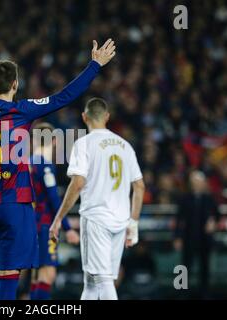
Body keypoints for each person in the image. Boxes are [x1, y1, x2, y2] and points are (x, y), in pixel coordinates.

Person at [0, 39, 117, 300]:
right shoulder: (22, 110)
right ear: (15, 84)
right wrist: (94, 65)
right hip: (16, 205)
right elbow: (65, 96)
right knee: (9, 278)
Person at [50, 97, 145, 300]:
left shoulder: (84, 144)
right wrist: (134, 222)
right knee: (92, 281)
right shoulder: (125, 145)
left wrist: (58, 218)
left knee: (103, 280)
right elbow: (139, 186)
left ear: (84, 117)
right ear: (107, 117)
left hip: (96, 218)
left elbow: (77, 184)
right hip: (120, 220)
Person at [29, 122, 80, 300]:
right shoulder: (45, 165)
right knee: (48, 274)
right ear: (53, 141)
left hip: (30, 225)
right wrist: (68, 228)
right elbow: (53, 199)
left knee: (37, 274)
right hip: (44, 226)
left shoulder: (28, 163)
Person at [174, 170, 219, 298]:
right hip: (188, 237)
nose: (197, 184)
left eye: (199, 182)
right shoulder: (185, 199)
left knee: (204, 267)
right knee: (184, 266)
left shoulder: (209, 199)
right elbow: (179, 220)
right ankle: (182, 293)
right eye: (194, 182)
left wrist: (213, 221)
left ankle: (204, 293)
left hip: (204, 239)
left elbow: (217, 214)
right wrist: (177, 237)